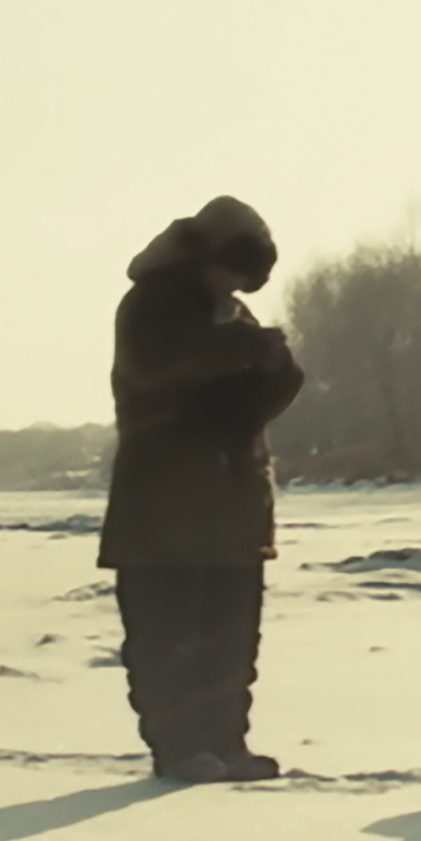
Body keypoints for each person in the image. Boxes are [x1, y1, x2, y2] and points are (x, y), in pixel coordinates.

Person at [101, 195, 305, 784]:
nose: (235, 285)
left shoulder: (232, 317)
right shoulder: (149, 308)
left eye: (245, 278)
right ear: (203, 259)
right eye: (231, 272)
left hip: (232, 508)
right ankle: (180, 749)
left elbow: (242, 411)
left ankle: (227, 743)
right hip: (163, 511)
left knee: (231, 638)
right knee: (167, 638)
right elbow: (157, 371)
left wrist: (278, 374)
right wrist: (242, 349)